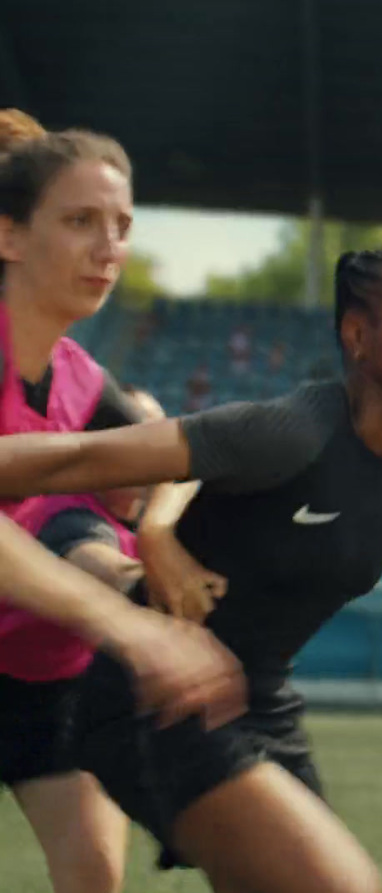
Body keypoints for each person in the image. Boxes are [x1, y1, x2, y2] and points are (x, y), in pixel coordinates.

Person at [0, 247, 382, 893]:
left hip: (263, 702)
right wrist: (155, 534)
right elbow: (86, 455)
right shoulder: (291, 430)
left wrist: (158, 527)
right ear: (358, 335)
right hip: (161, 694)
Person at [0, 109, 243, 893]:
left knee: (95, 875)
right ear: (8, 236)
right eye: (80, 222)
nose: (109, 247)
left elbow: (183, 451)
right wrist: (126, 623)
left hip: (41, 674)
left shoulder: (79, 375)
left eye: (122, 225)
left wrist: (162, 533)